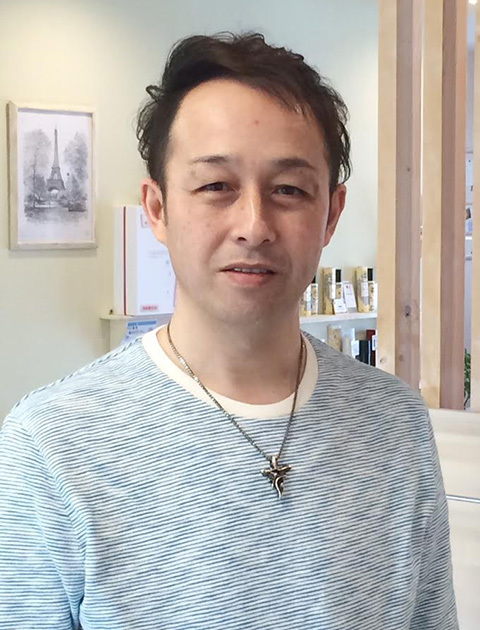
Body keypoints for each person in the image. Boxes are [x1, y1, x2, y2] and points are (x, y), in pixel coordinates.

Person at [0, 32, 458, 630]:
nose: (254, 225)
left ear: (331, 214)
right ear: (157, 208)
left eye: (289, 190)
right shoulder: (50, 443)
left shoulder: (395, 422)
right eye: (216, 186)